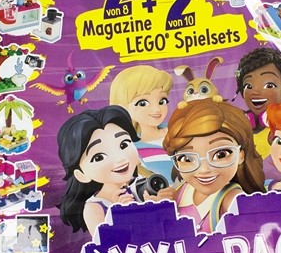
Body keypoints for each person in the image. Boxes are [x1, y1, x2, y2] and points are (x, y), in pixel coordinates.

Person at [57, 105, 173, 235]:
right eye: (99, 157)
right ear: (81, 174)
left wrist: (161, 206)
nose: (120, 158)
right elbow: (107, 244)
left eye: (124, 144)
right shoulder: (94, 208)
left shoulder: (146, 185)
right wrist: (123, 216)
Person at [163, 99, 265, 234]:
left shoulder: (233, 200)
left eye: (221, 154)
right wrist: (159, 209)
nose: (204, 169)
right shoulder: (181, 190)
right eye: (187, 158)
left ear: (241, 155)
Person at [109, 66, 174, 181]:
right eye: (143, 103)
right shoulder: (129, 149)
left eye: (162, 101)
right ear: (122, 108)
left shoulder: (178, 129)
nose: (156, 109)